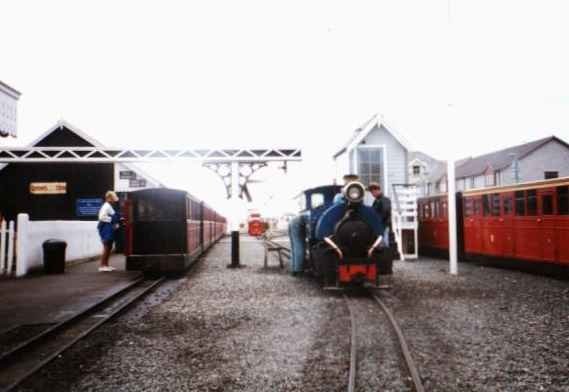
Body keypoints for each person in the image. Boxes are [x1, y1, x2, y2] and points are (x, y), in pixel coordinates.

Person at [97, 191, 121, 272]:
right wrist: (112, 220)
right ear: (109, 198)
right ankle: (102, 265)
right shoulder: (106, 206)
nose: (114, 200)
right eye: (113, 198)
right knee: (107, 246)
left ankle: (106, 265)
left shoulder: (109, 206)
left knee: (109, 246)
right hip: (105, 228)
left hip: (108, 228)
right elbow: (101, 217)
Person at [368, 182, 391, 247]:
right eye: (371, 192)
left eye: (372, 192)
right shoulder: (376, 201)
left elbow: (385, 211)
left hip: (384, 225)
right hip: (379, 225)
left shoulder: (384, 200)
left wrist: (378, 221)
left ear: (377, 190)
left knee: (384, 243)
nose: (372, 194)